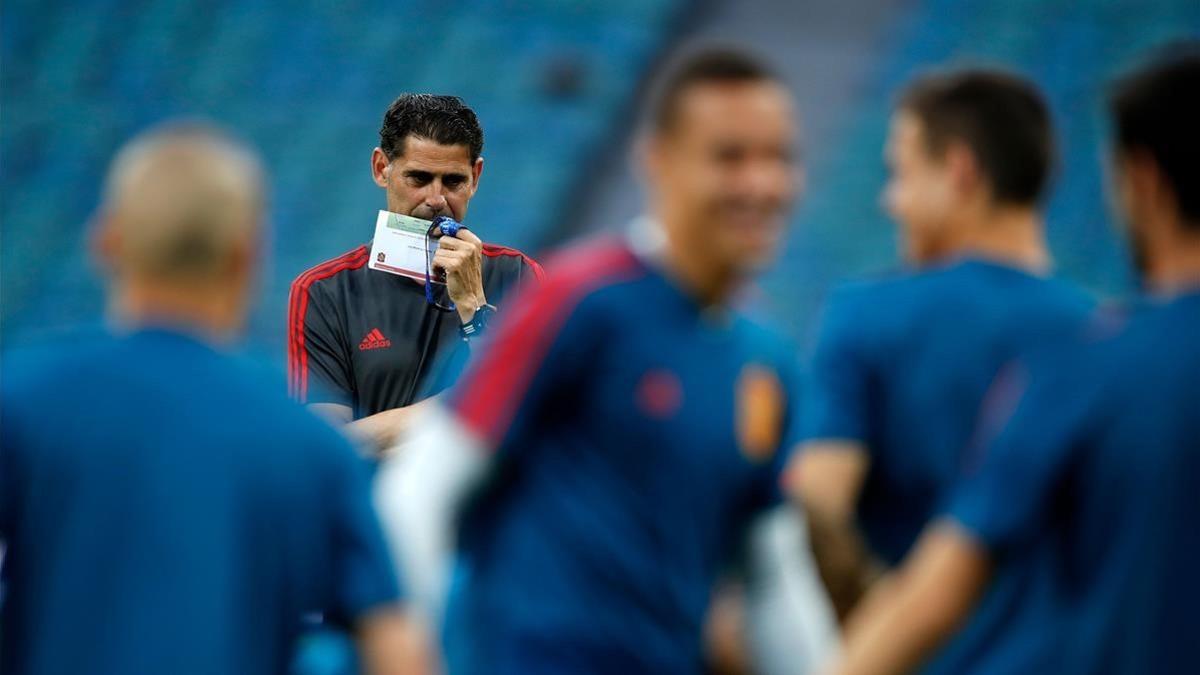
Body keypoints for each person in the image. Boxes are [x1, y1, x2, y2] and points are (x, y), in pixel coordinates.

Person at [381, 48, 836, 674]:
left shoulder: (766, 361)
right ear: (659, 161)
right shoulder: (577, 301)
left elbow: (775, 579)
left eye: (778, 158)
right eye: (730, 157)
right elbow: (420, 491)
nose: (760, 184)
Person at [0, 124, 425, 675]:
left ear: (105, 241)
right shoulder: (305, 446)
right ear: (249, 256)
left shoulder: (23, 403)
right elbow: (397, 652)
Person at [830, 46, 1200, 675]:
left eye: (899, 174)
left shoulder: (1091, 364)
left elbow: (924, 583)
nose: (890, 202)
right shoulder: (1080, 318)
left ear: (1143, 180)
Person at [791, 69, 1094, 657]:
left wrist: (876, 628)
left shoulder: (868, 315)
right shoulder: (1102, 335)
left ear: (959, 171)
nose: (889, 201)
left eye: (901, 174)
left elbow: (817, 504)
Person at [287, 94, 543, 450]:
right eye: (418, 178)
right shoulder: (324, 291)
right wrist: (457, 408)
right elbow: (322, 448)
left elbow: (535, 413)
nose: (436, 199)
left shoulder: (518, 276)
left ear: (476, 177)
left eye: (453, 181)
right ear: (382, 169)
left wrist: (473, 307)